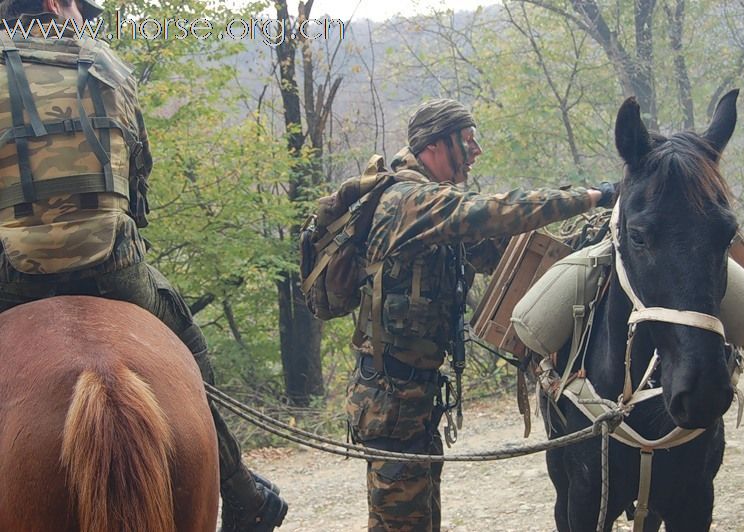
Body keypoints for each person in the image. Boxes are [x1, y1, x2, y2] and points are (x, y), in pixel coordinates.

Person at [0, 1, 287, 530]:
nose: (85, 17)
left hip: (13, 276)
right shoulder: (107, 65)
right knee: (192, 357)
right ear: (52, 4)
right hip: (116, 266)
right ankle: (241, 492)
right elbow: (138, 180)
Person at [345, 98, 616, 531]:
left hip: (413, 403)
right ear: (436, 145)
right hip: (390, 406)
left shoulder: (436, 216)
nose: (476, 151)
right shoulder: (409, 202)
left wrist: (599, 234)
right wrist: (593, 197)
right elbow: (497, 213)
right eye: (467, 141)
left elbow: (510, 252)